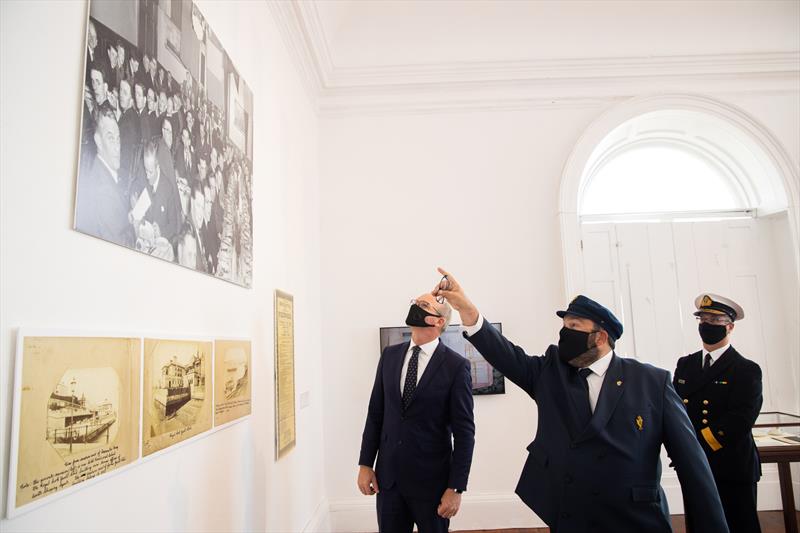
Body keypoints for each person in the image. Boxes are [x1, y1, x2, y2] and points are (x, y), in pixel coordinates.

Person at [431, 267, 729, 533]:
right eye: (564, 326)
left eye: (574, 327)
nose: (564, 333)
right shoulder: (551, 372)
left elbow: (694, 468)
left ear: (600, 338)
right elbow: (505, 355)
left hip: (634, 517)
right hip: (571, 513)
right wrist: (467, 308)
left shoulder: (652, 382)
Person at [357, 291, 475, 533]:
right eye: (416, 303)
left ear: (439, 321)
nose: (415, 307)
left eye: (423, 305)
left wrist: (456, 488)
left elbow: (465, 434)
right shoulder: (389, 356)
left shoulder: (456, 366)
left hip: (432, 484)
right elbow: (376, 413)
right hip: (389, 481)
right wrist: (365, 464)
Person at [674, 294, 763, 533]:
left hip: (731, 465)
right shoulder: (685, 365)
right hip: (694, 463)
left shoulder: (746, 369)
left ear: (730, 326)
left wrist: (696, 445)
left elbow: (741, 419)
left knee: (738, 524)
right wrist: (682, 448)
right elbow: (676, 411)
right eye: (703, 319)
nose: (707, 324)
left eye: (715, 320)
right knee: (699, 524)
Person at [75, 103, 134, 247]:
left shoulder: (103, 173)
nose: (117, 146)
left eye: (118, 138)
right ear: (98, 141)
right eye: (110, 138)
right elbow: (124, 246)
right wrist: (136, 227)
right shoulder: (103, 190)